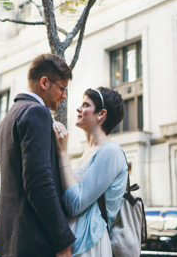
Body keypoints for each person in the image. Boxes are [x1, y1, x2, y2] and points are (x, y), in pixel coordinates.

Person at [0, 54, 76, 257]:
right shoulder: (36, 112)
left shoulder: (10, 117)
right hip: (33, 243)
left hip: (10, 241)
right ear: (44, 83)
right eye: (62, 88)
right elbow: (39, 182)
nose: (64, 96)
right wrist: (62, 240)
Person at [52, 87, 128, 256]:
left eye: (86, 105)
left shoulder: (110, 151)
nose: (79, 109)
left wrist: (63, 153)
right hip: (73, 239)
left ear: (101, 114)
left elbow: (75, 204)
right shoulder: (87, 153)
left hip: (89, 245)